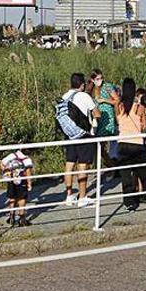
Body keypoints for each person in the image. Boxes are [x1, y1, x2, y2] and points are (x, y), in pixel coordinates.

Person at [60, 73, 100, 207]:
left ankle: (69, 196)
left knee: (69, 164)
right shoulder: (84, 96)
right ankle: (82, 197)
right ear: (82, 84)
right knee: (83, 164)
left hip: (69, 134)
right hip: (83, 134)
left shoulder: (65, 96)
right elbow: (96, 113)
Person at [116, 78, 146, 212]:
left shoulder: (119, 106)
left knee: (125, 175)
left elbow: (118, 123)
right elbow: (144, 127)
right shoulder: (139, 107)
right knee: (142, 173)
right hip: (136, 143)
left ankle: (128, 202)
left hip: (123, 142)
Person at [0, 150, 34, 227]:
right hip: (22, 181)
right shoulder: (27, 159)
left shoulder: (12, 155)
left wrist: (5, 172)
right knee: (22, 199)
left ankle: (11, 217)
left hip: (11, 180)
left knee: (12, 198)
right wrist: (29, 183)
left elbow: (2, 163)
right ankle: (22, 219)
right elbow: (28, 172)